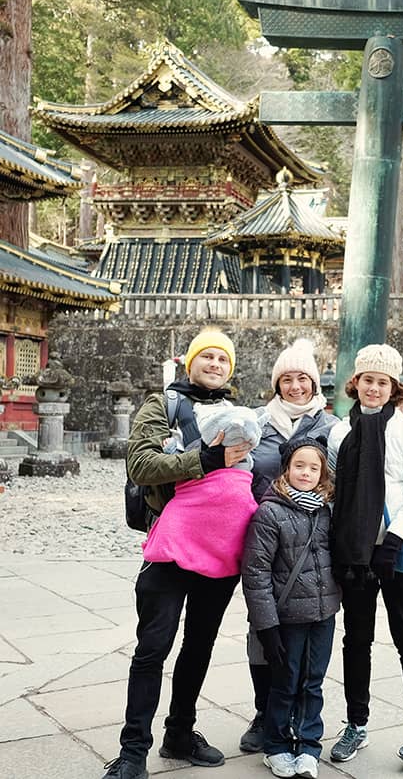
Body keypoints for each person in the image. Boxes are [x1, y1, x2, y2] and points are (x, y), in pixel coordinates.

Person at [103, 330, 252, 779]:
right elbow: (142, 466)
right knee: (153, 648)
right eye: (205, 356)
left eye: (222, 359)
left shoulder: (237, 413)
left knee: (199, 645)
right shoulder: (161, 405)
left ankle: (180, 733)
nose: (214, 364)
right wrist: (205, 461)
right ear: (190, 363)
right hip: (171, 546)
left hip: (221, 548)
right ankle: (132, 752)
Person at [330, 344, 403, 770]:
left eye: (383, 382)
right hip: (356, 553)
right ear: (356, 384)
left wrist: (393, 540)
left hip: (398, 551)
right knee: (356, 640)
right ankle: (356, 722)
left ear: (394, 388)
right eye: (368, 380)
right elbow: (335, 492)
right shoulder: (341, 432)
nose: (374, 388)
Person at [242, 339, 342, 754]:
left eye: (304, 378)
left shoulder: (330, 426)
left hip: (312, 538)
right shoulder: (256, 423)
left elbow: (343, 483)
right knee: (261, 630)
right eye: (287, 378)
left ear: (315, 382)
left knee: (307, 647)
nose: (296, 386)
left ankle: (298, 720)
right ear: (276, 383)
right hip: (264, 533)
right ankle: (266, 711)